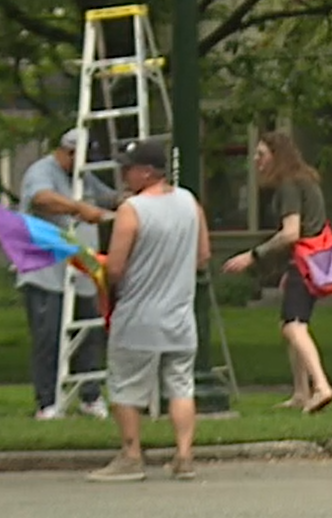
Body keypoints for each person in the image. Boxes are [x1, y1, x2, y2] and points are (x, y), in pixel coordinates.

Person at [87, 136, 211, 483]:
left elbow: (115, 268)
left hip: (138, 316)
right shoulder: (189, 202)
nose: (123, 175)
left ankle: (131, 456)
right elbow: (203, 256)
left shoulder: (133, 210)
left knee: (125, 387)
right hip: (180, 316)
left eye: (127, 169)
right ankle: (184, 456)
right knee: (181, 386)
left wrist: (99, 269)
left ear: (146, 172)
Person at [221, 130, 332, 413]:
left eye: (261, 154)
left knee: (293, 326)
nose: (256, 159)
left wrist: (253, 255)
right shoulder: (306, 180)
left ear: (277, 156)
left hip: (305, 263)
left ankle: (321, 387)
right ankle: (300, 393)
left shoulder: (289, 185)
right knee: (293, 323)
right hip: (312, 262)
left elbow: (291, 233)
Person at [17, 128, 119, 419]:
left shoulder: (83, 176)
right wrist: (78, 208)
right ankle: (47, 403)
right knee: (48, 338)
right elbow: (41, 198)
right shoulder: (42, 171)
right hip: (46, 274)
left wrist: (129, 200)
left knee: (89, 336)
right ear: (68, 151)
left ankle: (90, 396)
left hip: (81, 272)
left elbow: (107, 198)